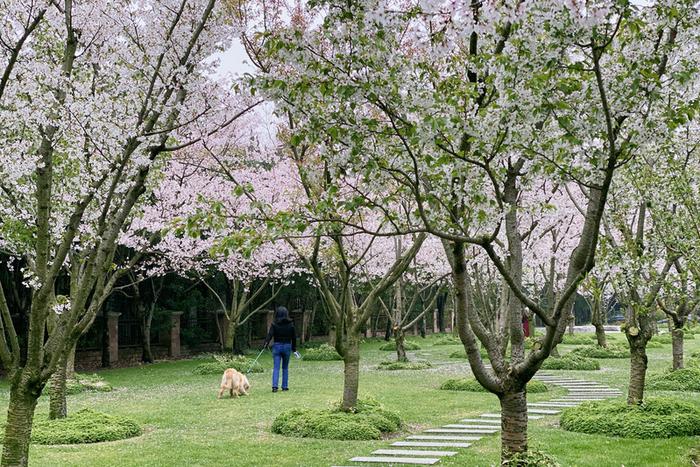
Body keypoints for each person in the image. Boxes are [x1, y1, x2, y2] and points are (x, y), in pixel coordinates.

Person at [264, 306, 300, 392]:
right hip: (287, 346)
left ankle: (274, 386)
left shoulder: (274, 324)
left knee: (276, 367)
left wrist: (266, 344)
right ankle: (284, 386)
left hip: (277, 346)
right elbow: (294, 337)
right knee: (285, 368)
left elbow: (270, 335)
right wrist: (294, 349)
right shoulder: (291, 325)